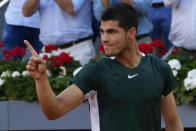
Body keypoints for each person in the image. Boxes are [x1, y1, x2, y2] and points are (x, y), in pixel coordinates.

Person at [24, 3, 183, 131]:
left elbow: (174, 124)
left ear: (131, 33)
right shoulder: (95, 71)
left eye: (112, 32)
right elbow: (54, 111)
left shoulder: (159, 68)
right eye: (102, 32)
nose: (104, 39)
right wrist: (41, 79)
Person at [22, 0, 95, 65]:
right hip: (49, 51)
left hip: (78, 49)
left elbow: (70, 8)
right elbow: (26, 12)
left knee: (79, 80)